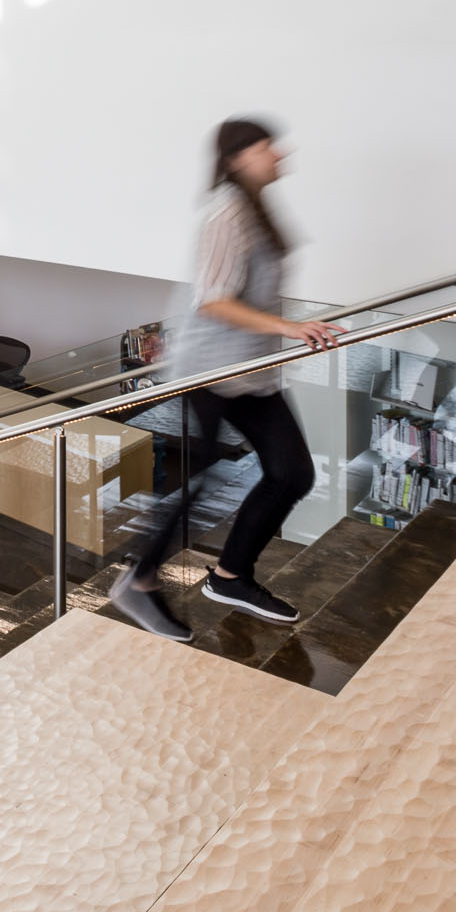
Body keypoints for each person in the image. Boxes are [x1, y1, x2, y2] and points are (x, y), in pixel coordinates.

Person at [110, 118, 339, 641]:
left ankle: (231, 576)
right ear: (237, 156)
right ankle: (138, 582)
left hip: (250, 371)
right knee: (202, 481)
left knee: (292, 473)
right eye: (266, 146)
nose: (278, 153)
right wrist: (291, 327)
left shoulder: (257, 208)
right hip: (209, 370)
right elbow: (212, 300)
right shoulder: (227, 214)